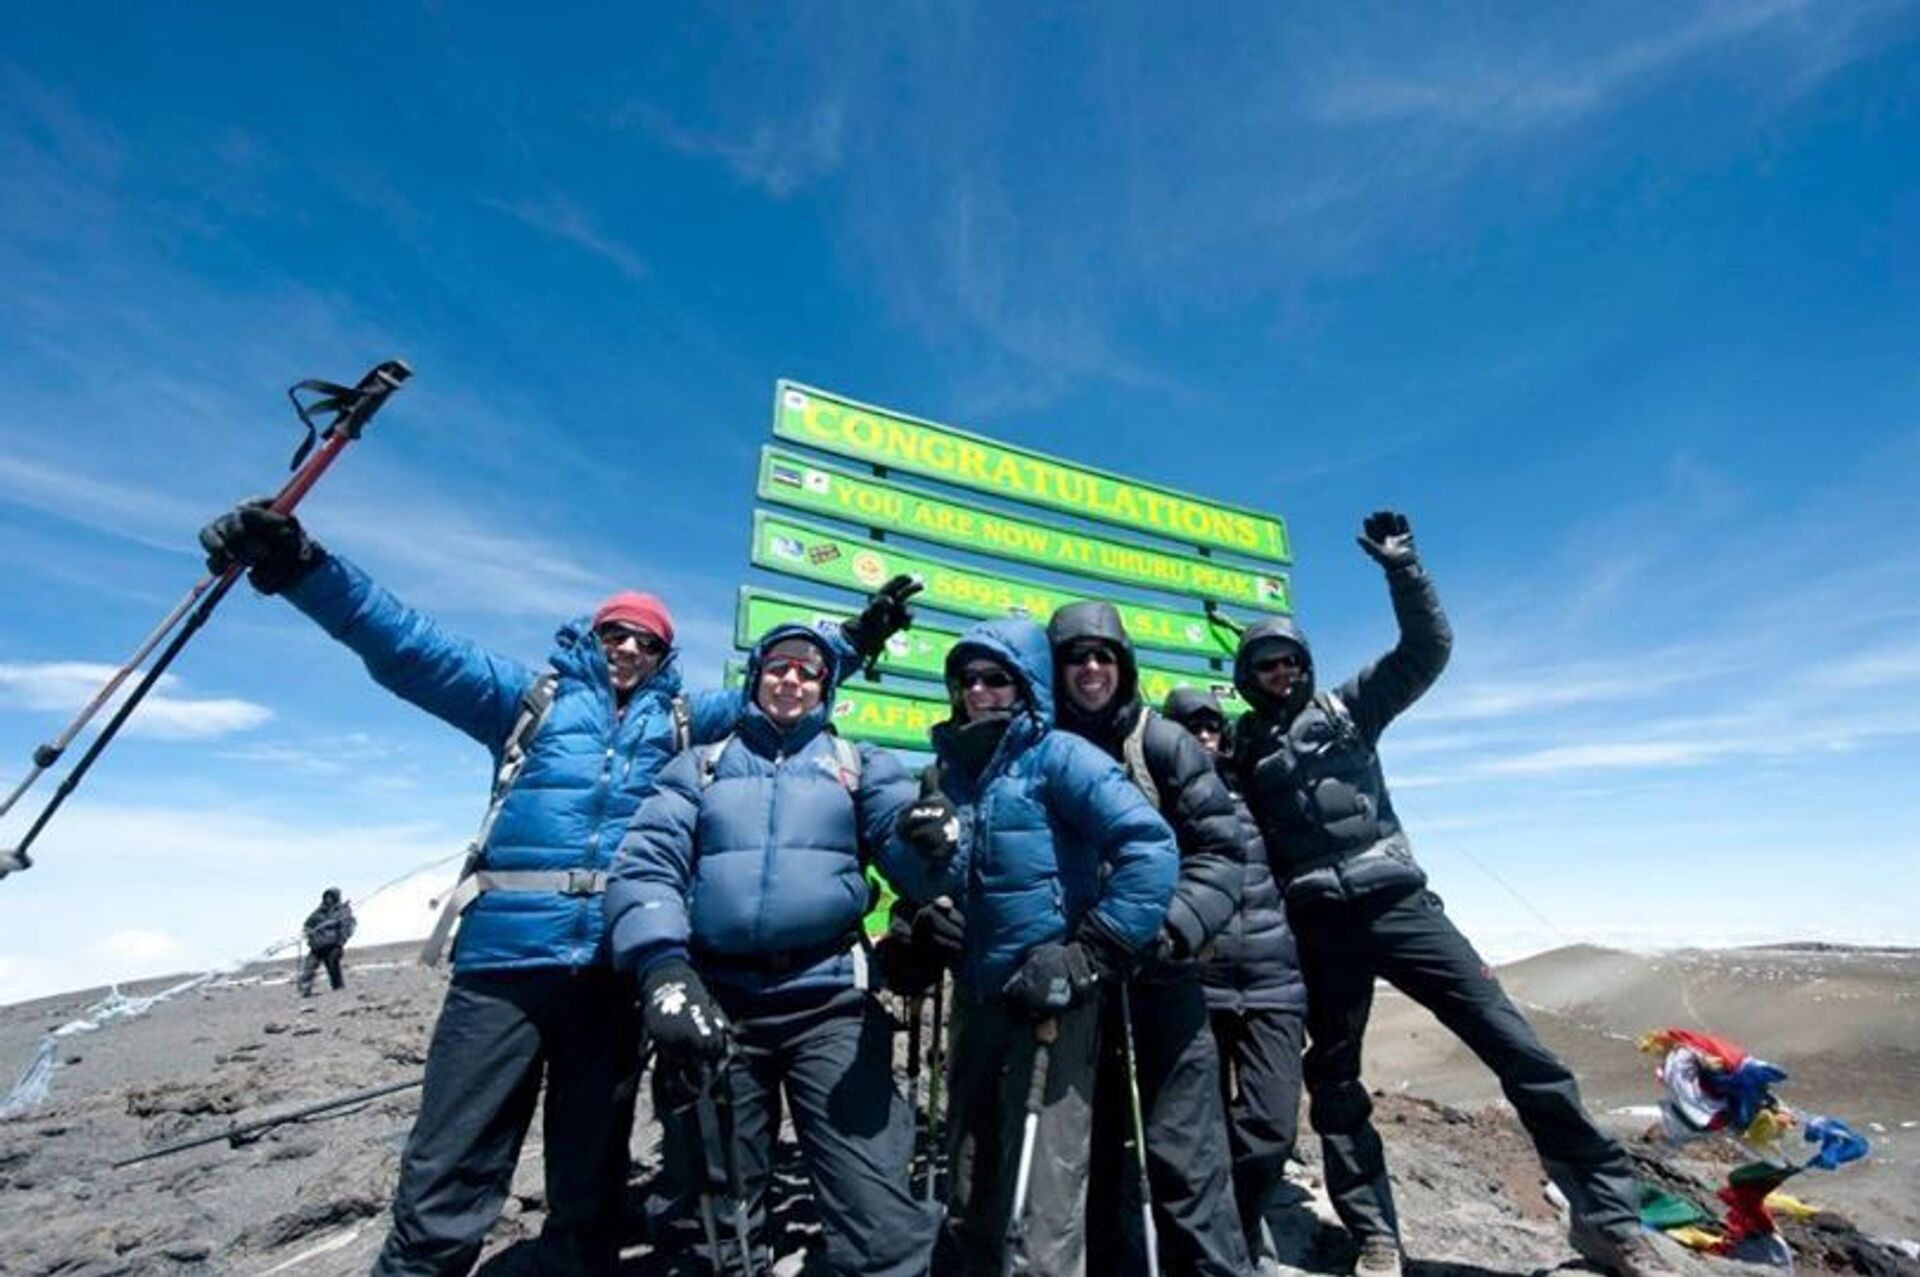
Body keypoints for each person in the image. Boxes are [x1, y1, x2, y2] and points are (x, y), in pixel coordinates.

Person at [197, 500, 917, 1276]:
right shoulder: (524, 700)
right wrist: (305, 568)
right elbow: (407, 645)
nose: (631, 647)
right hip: (504, 963)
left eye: (650, 640)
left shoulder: (683, 722)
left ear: (665, 655)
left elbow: (781, 689)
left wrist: (853, 639)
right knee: (453, 1159)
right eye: (617, 632)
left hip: (613, 970)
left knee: (589, 1169)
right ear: (590, 635)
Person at [1232, 511, 1672, 1277]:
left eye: (1291, 661)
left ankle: (1608, 1220)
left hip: (1398, 905)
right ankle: (1375, 1234)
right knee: (1334, 1081)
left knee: (1518, 1048)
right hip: (1318, 926)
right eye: (1267, 666)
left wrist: (1404, 570)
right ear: (1248, 675)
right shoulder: (1241, 747)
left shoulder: (1347, 708)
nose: (1283, 675)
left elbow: (1426, 650)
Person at [606, 624, 935, 1277]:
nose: (791, 679)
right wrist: (664, 967)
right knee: (713, 1211)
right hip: (722, 1006)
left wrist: (930, 842)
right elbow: (647, 866)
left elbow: (911, 859)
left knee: (875, 1210)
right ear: (755, 676)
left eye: (808, 672)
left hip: (833, 1002)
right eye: (777, 667)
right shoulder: (698, 766)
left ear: (825, 687)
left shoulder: (861, 764)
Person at [884, 616, 1179, 1277]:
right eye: (969, 680)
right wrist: (924, 903)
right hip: (977, 998)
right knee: (970, 1184)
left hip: (1053, 1003)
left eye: (999, 678)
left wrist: (1089, 952)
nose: (982, 691)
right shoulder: (946, 777)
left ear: (1029, 687)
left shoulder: (1062, 757)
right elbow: (928, 878)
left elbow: (1151, 847)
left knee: (1042, 1202)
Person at [1045, 603, 1250, 1276]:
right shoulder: (1038, 745)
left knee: (1187, 1154)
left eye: (1105, 654)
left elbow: (1220, 853)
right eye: (1076, 656)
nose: (1092, 667)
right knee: (1093, 1155)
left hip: (1161, 975)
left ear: (1124, 663)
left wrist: (1168, 929)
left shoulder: (1162, 742)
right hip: (1076, 978)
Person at [1163, 687, 1308, 1271]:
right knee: (1202, 1131)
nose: (1202, 733)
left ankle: (1241, 1223)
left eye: (1211, 724)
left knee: (1270, 1130)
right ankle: (1226, 1246)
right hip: (1196, 982)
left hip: (1275, 980)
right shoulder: (1156, 800)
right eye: (1189, 725)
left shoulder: (1260, 790)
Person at [297, 886, 357, 997]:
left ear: (335, 898)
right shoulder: (318, 912)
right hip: (317, 946)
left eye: (331, 897)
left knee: (333, 966)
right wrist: (309, 933)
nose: (328, 899)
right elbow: (307, 925)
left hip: (333, 945)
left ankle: (338, 989)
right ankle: (304, 990)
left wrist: (340, 942)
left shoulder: (342, 912)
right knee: (308, 967)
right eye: (326, 897)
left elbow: (347, 928)